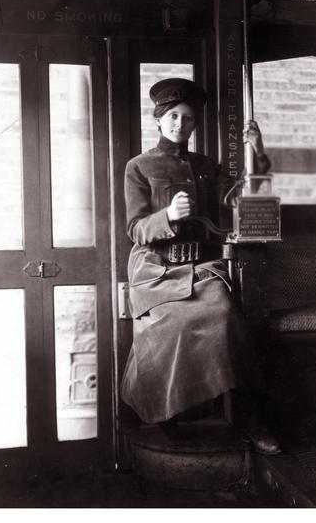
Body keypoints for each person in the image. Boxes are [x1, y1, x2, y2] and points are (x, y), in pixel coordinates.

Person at [120, 78, 279, 454]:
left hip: (202, 268)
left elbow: (242, 195)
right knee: (171, 324)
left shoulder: (206, 166)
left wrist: (257, 151)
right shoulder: (139, 167)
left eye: (188, 119)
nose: (180, 124)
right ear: (158, 120)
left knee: (223, 314)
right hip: (156, 271)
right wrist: (168, 216)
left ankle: (246, 416)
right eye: (173, 116)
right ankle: (164, 414)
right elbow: (134, 229)